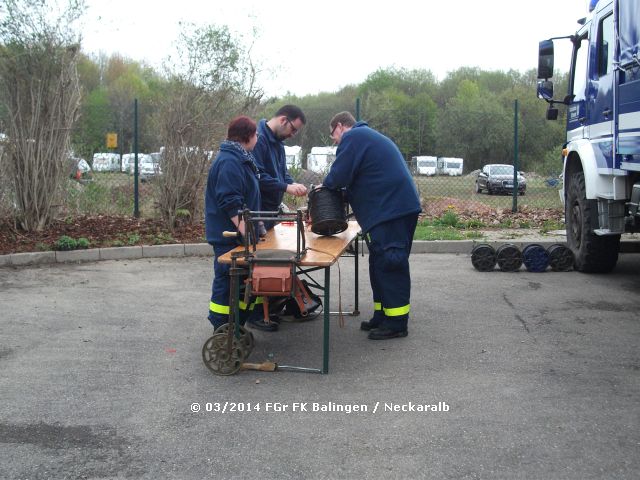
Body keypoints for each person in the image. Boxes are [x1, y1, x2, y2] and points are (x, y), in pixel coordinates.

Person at [323, 111, 421, 340]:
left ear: (340, 126)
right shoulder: (365, 138)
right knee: (379, 263)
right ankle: (383, 314)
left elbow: (337, 177)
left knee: (390, 261)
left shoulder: (353, 138)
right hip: (389, 210)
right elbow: (358, 178)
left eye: (333, 136)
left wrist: (323, 187)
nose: (335, 141)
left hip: (392, 211)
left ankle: (397, 323)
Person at [246, 104, 308, 331]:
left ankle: (270, 308)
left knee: (274, 262)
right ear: (283, 120)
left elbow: (282, 173)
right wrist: (286, 187)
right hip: (259, 213)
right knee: (261, 264)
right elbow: (258, 177)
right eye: (293, 130)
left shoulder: (279, 145)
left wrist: (292, 184)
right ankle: (255, 314)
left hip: (271, 211)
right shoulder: (259, 140)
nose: (293, 135)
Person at [205, 116, 262, 331]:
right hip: (227, 236)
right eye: (256, 134)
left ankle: (236, 325)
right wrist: (246, 231)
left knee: (240, 283)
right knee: (226, 281)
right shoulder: (230, 161)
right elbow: (230, 201)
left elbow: (248, 197)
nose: (257, 138)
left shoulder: (241, 158)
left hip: (237, 235)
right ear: (247, 136)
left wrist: (259, 227)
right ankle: (221, 328)